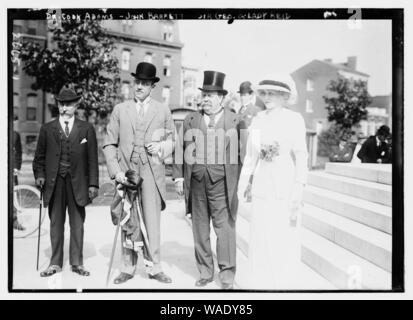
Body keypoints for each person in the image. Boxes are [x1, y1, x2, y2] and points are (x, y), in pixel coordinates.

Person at [173, 70, 246, 289]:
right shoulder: (191, 119)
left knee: (224, 229)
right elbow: (180, 148)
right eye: (204, 94)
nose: (206, 98)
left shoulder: (235, 120)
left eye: (211, 95)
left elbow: (243, 155)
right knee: (200, 228)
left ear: (222, 98)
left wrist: (240, 184)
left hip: (222, 183)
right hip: (196, 182)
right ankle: (205, 271)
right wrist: (178, 177)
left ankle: (226, 274)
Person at [103, 62, 174, 285]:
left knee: (152, 221)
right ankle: (127, 267)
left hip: (152, 174)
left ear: (153, 86)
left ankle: (155, 268)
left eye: (145, 83)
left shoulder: (162, 110)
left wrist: (161, 148)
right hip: (127, 173)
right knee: (128, 218)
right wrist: (116, 173)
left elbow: (173, 140)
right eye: (138, 82)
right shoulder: (120, 110)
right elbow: (109, 144)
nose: (140, 86)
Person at [238, 74, 308, 289]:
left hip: (285, 184)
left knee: (281, 236)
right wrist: (243, 185)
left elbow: (302, 155)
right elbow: (251, 156)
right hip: (262, 184)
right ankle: (260, 283)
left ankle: (282, 284)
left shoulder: (294, 119)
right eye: (264, 93)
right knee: (259, 235)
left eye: (272, 93)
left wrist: (299, 188)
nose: (267, 97)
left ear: (284, 96)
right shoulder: (258, 119)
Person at [33, 85, 99, 277]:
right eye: (61, 104)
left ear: (76, 104)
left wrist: (93, 184)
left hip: (78, 183)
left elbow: (92, 159)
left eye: (68, 104)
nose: (64, 108)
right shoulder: (47, 129)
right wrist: (40, 176)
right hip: (55, 183)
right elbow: (39, 159)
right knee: (56, 224)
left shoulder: (86, 128)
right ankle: (55, 263)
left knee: (77, 223)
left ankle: (77, 262)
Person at [13, 125, 25, 231]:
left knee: (13, 197)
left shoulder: (15, 135)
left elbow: (18, 153)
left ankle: (14, 221)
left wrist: (16, 167)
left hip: (11, 171)